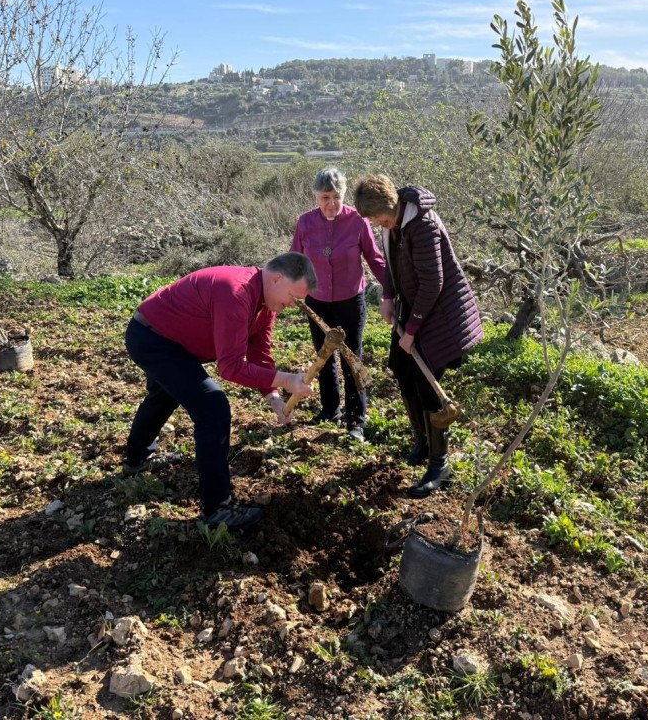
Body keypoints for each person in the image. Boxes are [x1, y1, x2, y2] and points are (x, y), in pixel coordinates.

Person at [123, 253, 317, 532]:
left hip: (174, 343)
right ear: (277, 278)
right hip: (152, 337)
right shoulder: (236, 293)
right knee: (213, 408)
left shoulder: (265, 303)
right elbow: (230, 368)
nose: (291, 305)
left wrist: (273, 396)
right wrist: (287, 379)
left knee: (165, 395)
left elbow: (259, 352)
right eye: (292, 296)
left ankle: (136, 460)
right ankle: (217, 509)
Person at [352, 174, 483, 497]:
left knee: (427, 385)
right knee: (400, 366)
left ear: (392, 205)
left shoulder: (422, 226)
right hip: (412, 307)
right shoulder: (393, 225)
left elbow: (433, 283)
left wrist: (411, 330)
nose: (376, 223)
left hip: (439, 316)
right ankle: (422, 443)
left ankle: (440, 463)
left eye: (378, 217)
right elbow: (394, 268)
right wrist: (387, 297)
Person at [290, 167, 387, 442]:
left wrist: (392, 291)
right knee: (323, 355)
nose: (331, 203)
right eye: (325, 197)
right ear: (316, 197)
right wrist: (287, 288)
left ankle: (356, 419)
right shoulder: (305, 223)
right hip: (317, 300)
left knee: (350, 357)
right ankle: (330, 409)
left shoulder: (358, 221)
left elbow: (375, 259)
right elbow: (295, 260)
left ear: (343, 194)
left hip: (350, 302)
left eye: (336, 196)